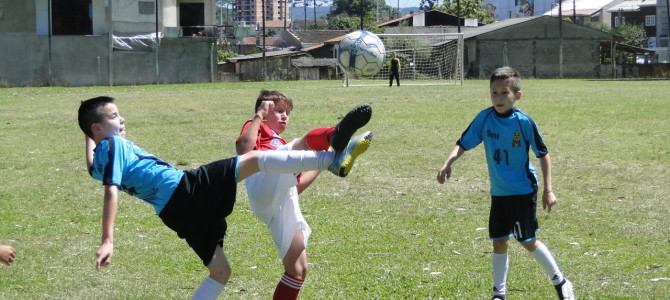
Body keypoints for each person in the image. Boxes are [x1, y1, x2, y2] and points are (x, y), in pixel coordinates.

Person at [78, 96, 372, 299]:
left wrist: (85, 129)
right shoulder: (114, 145)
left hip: (175, 214)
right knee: (256, 159)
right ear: (99, 128)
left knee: (220, 272)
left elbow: (92, 162)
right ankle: (329, 160)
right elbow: (110, 191)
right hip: (186, 187)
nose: (122, 119)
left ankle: (329, 154)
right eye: (114, 116)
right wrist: (107, 239)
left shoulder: (98, 163)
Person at [436, 67, 574, 300]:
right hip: (499, 193)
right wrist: (449, 161)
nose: (498, 98)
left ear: (517, 95)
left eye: (504, 93)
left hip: (522, 191)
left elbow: (543, 154)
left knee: (527, 241)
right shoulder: (485, 118)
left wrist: (548, 190)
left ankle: (560, 281)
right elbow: (463, 143)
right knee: (499, 241)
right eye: (494, 93)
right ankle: (499, 294)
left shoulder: (523, 122)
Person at [235, 90, 372, 299]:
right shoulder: (257, 127)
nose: (284, 116)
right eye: (279, 111)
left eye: (287, 113)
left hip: (280, 201)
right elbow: (243, 151)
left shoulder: (282, 148)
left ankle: (333, 157)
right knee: (300, 144)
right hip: (259, 177)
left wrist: (321, 164)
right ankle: (334, 135)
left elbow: (296, 187)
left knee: (298, 270)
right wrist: (259, 116)